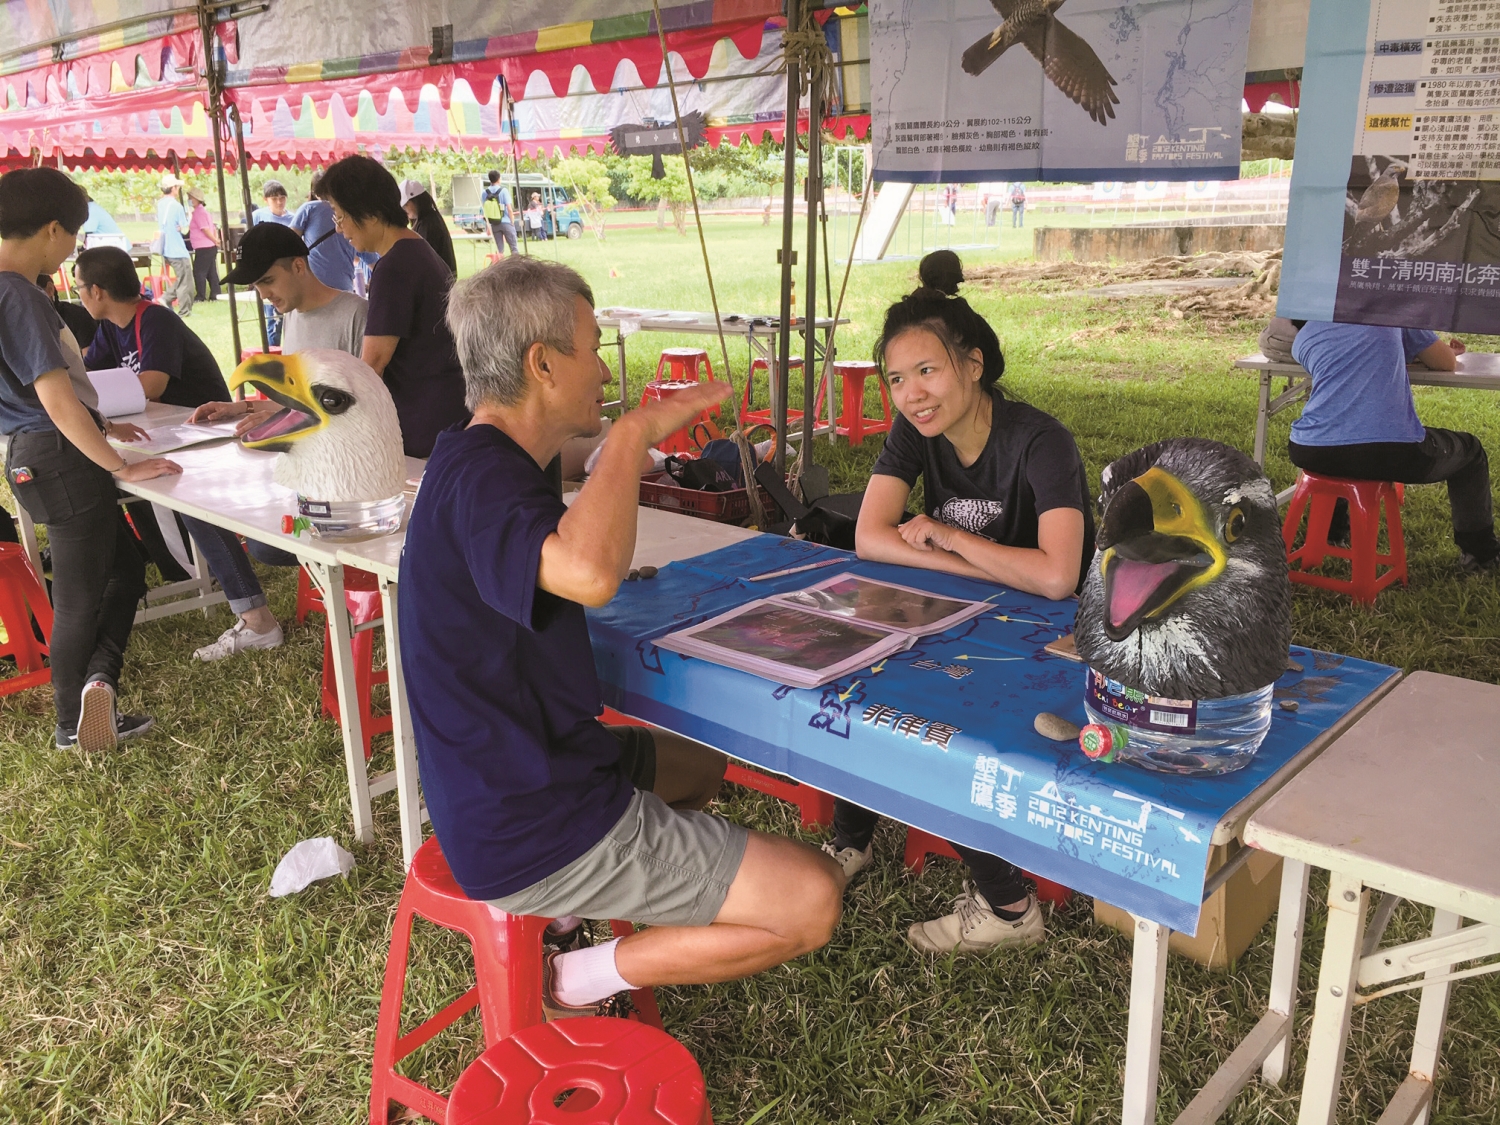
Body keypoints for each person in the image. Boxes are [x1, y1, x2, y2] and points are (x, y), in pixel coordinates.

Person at [400, 255, 842, 1018]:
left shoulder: (488, 453)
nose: (605, 370)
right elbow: (589, 572)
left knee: (698, 764)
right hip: (530, 821)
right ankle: (579, 978)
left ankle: (570, 920)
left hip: (528, 771)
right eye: (593, 346)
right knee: (812, 899)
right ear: (542, 363)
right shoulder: (484, 480)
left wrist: (629, 441)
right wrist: (634, 431)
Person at [824, 253, 1094, 956]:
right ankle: (850, 842)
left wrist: (945, 536)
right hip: (963, 614)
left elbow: (1060, 576)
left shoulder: (1041, 442)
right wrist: (952, 558)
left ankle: (1009, 907)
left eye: (928, 370)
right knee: (863, 677)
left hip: (1050, 639)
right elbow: (869, 536)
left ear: (973, 364)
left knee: (932, 719)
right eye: (896, 378)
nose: (912, 393)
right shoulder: (918, 432)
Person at [0, 167, 181, 750]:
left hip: (34, 453)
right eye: (73, 235)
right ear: (51, 229)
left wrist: (102, 424)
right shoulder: (19, 293)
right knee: (80, 595)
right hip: (58, 455)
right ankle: (70, 725)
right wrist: (118, 463)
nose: (73, 250)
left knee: (123, 569)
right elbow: (53, 397)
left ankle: (96, 687)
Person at [73, 246, 285, 661]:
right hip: (169, 435)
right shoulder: (112, 328)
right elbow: (87, 378)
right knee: (121, 484)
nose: (79, 295)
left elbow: (149, 386)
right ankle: (173, 574)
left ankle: (255, 617)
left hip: (211, 433)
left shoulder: (154, 319)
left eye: (79, 287)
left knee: (192, 504)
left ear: (97, 291)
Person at [1289, 320, 1500, 571]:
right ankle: (1481, 555)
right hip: (1389, 452)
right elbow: (1445, 362)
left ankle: (1330, 534)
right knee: (1470, 451)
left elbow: (1351, 359)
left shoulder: (1305, 335)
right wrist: (1434, 350)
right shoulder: (1394, 315)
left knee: (1341, 448)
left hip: (1309, 447)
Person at [318, 154, 468, 457]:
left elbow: (372, 366)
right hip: (444, 414)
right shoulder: (415, 249)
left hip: (423, 426)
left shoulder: (395, 267)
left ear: (369, 213)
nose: (339, 228)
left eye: (340, 215)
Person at [220, 223, 367, 355]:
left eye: (268, 281)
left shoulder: (356, 314)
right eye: (256, 285)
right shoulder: (292, 314)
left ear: (298, 267)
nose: (263, 295)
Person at [291, 172, 356, 292]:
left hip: (313, 285)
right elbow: (370, 259)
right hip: (343, 286)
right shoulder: (352, 212)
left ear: (315, 193)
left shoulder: (308, 209)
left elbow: (290, 241)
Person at [252, 180, 295, 345]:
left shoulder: (293, 218)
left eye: (282, 197)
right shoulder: (258, 217)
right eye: (274, 198)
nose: (279, 202)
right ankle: (273, 350)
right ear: (266, 200)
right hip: (266, 270)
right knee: (273, 319)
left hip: (288, 271)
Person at [400, 180, 457, 277]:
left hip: (438, 284)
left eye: (406, 205)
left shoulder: (428, 225)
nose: (404, 209)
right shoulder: (429, 219)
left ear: (416, 201)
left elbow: (423, 261)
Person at [155, 173, 193, 317]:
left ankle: (167, 297)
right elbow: (184, 229)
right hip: (177, 249)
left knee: (181, 278)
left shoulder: (160, 204)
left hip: (166, 248)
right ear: (174, 188)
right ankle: (183, 310)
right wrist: (190, 216)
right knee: (185, 280)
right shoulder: (176, 206)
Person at [36, 273, 97, 352]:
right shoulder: (26, 323)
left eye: (31, 294)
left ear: (50, 289)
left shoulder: (78, 317)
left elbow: (91, 361)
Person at [186, 186, 221, 303]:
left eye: (190, 198)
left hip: (204, 246)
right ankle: (215, 294)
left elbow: (205, 229)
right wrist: (215, 240)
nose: (189, 200)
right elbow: (212, 227)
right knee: (211, 272)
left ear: (196, 199)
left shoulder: (199, 213)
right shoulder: (202, 211)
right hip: (208, 246)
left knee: (199, 271)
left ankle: (200, 296)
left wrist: (214, 240)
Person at [482, 170, 518, 257]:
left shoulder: (485, 193)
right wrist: (512, 221)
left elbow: (486, 211)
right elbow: (509, 208)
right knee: (514, 248)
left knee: (499, 250)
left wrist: (488, 226)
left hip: (494, 224)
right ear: (498, 179)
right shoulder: (503, 191)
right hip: (506, 222)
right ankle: (516, 265)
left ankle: (499, 266)